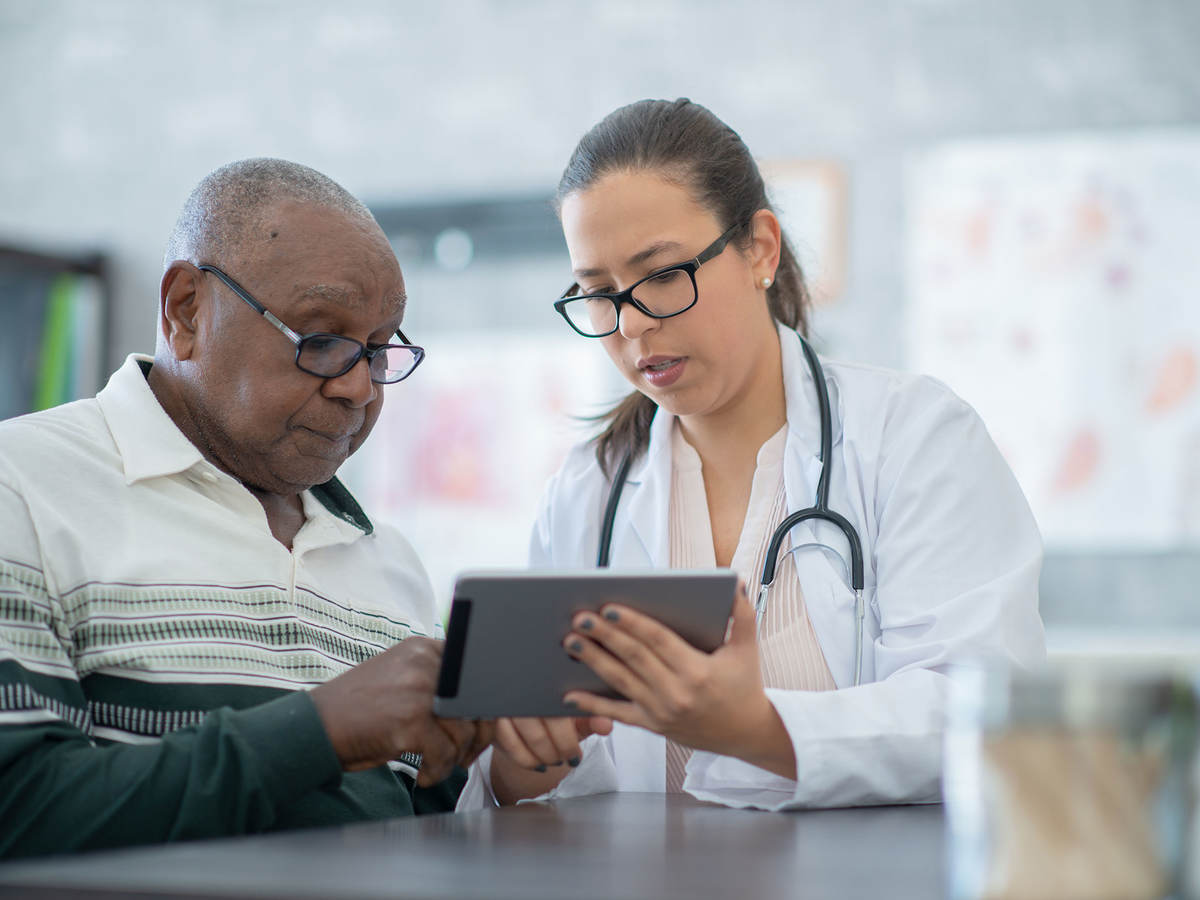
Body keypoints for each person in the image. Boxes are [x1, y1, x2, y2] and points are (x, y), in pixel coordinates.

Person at [458, 99, 1045, 811]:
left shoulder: (914, 438)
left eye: (665, 273)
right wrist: (524, 762)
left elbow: (982, 714)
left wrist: (755, 729)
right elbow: (553, 786)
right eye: (598, 293)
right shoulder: (588, 492)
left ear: (760, 248)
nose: (632, 322)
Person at [0, 159, 491, 858]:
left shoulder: (389, 562)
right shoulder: (20, 489)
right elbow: (19, 812)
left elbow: (421, 827)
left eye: (381, 352)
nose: (359, 388)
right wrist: (318, 731)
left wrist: (516, 768)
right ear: (186, 310)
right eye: (320, 341)